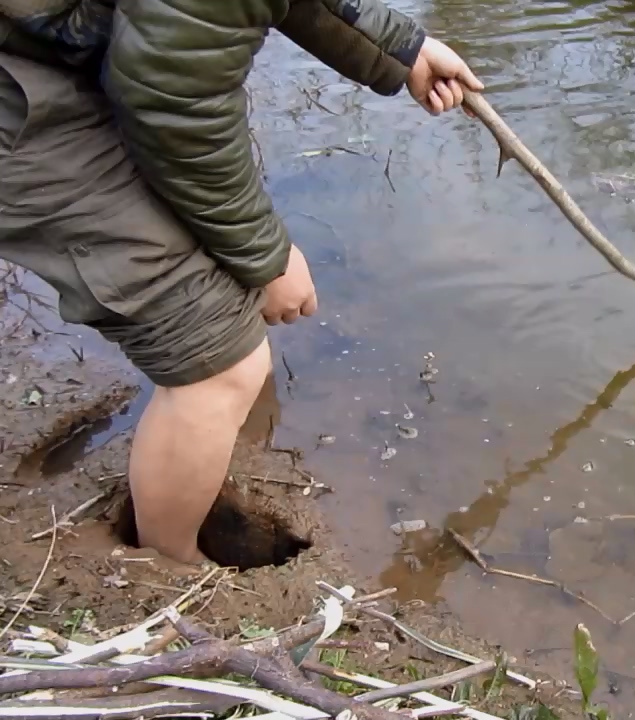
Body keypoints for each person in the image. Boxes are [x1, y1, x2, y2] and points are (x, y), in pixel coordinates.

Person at [0, 0, 484, 566]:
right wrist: (268, 259)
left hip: (58, 51)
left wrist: (401, 50)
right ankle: (167, 565)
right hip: (25, 90)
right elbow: (172, 106)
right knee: (220, 363)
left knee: (221, 294)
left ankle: (207, 462)